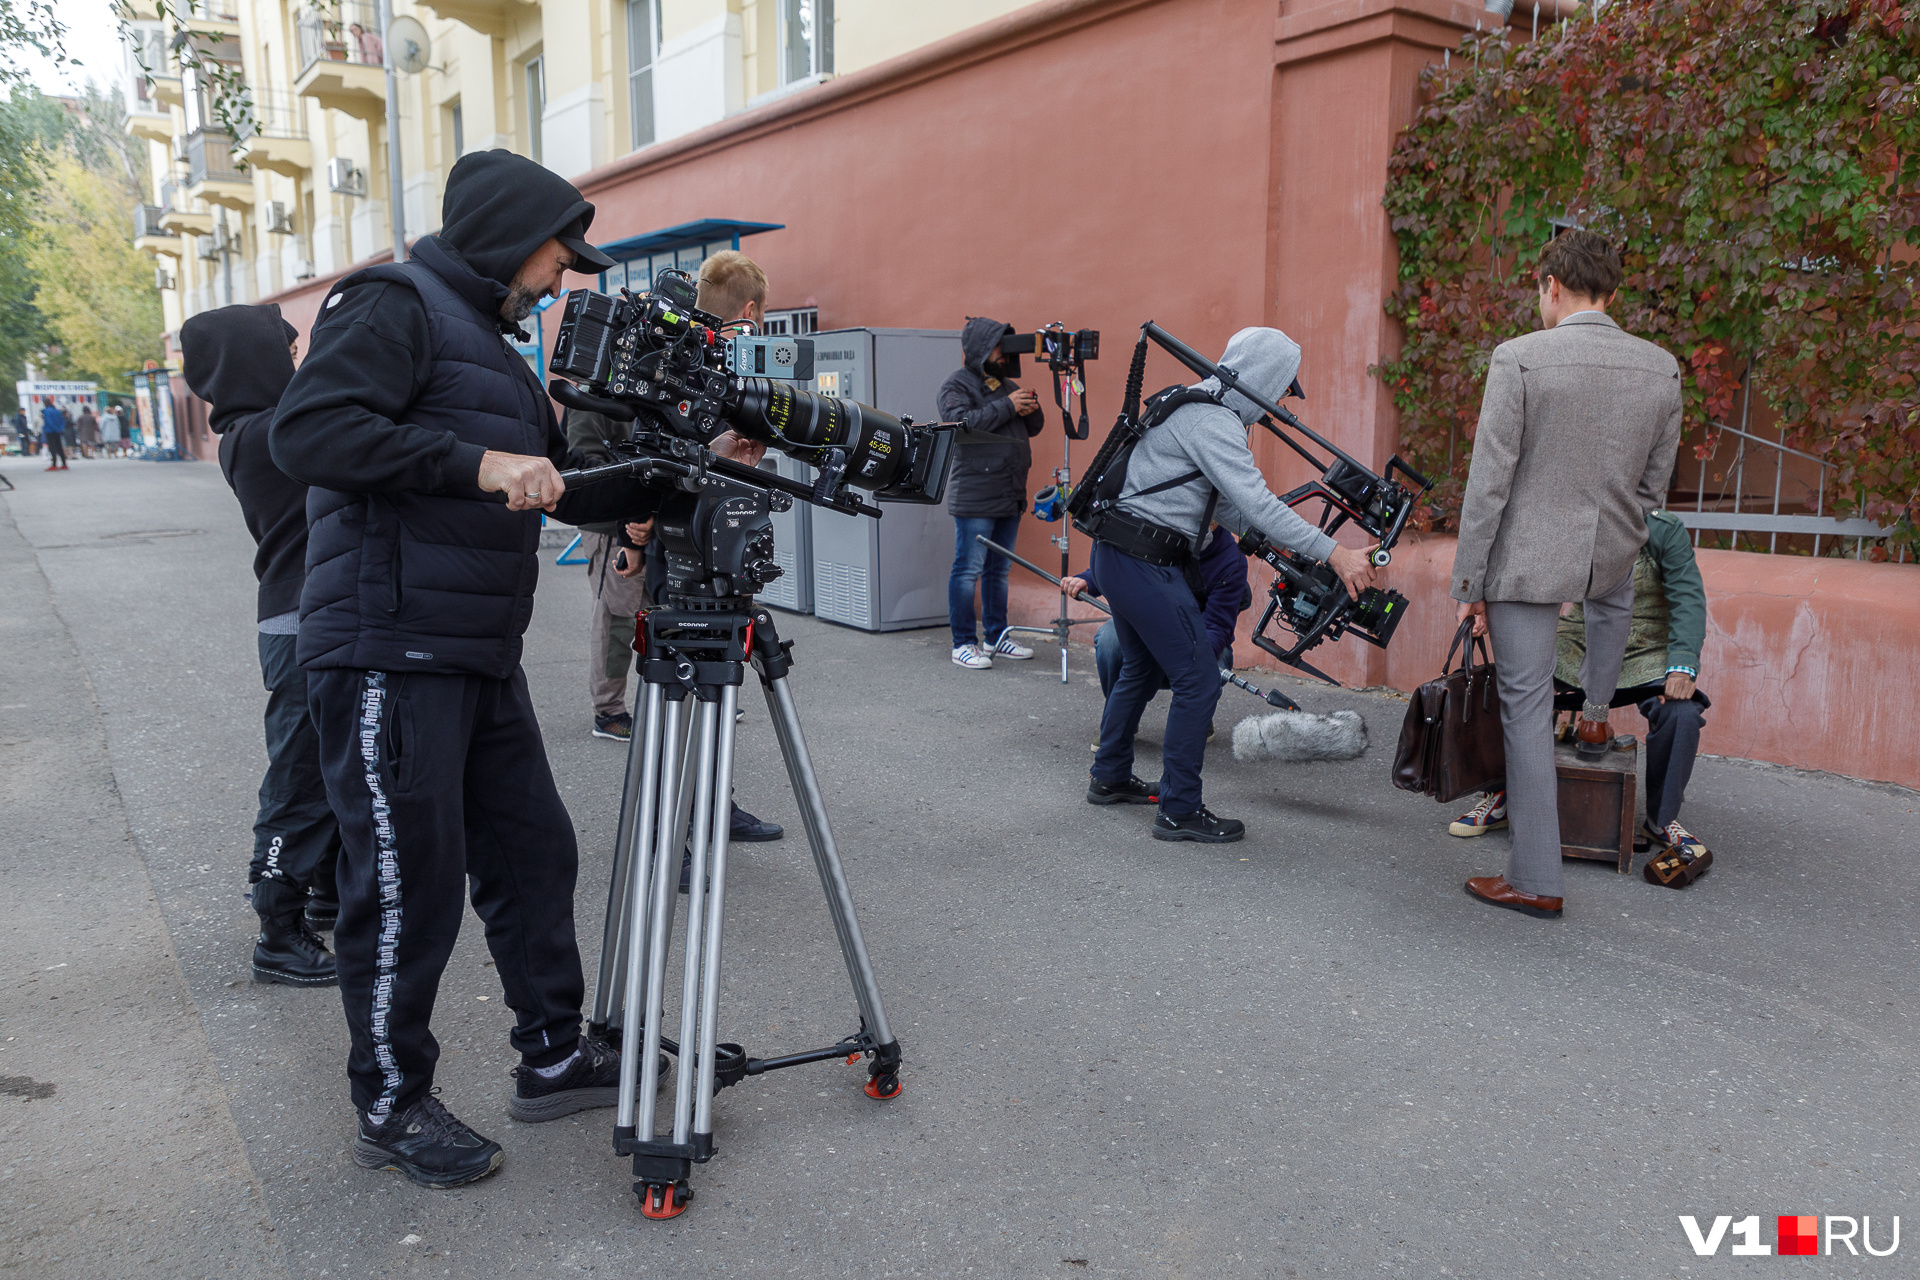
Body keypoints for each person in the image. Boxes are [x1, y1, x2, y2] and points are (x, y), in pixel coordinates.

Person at [271, 149, 663, 1190]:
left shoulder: (486, 340)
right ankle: (392, 1102)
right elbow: (306, 429)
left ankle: (553, 1050)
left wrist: (650, 486)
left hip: (476, 653)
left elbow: (552, 481)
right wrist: (475, 463)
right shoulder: (391, 305)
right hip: (387, 651)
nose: (562, 275)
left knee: (534, 852)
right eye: (555, 254)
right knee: (407, 888)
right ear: (504, 237)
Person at [1452, 229, 1682, 919]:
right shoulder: (1662, 367)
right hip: (1611, 549)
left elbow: (1489, 483)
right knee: (1610, 604)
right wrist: (1617, 532)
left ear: (1552, 285)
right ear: (1610, 293)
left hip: (1526, 559)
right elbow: (1654, 488)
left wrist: (1470, 586)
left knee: (1523, 713)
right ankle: (1594, 715)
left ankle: (1534, 879)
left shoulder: (1519, 359)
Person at [1086, 327, 1379, 842]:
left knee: (1141, 666)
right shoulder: (1215, 421)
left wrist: (1280, 543)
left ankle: (1109, 777)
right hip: (1143, 560)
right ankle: (1179, 810)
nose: (1282, 403)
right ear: (1265, 379)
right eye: (1285, 388)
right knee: (1198, 681)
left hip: (1117, 552)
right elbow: (1256, 502)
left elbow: (1220, 504)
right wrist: (1334, 552)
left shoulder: (1191, 405)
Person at [564, 248, 784, 845]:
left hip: (715, 548)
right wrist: (631, 527)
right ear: (748, 310)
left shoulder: (720, 377)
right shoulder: (638, 368)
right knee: (675, 691)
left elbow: (704, 462)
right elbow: (591, 462)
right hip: (663, 548)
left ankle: (714, 802)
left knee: (715, 688)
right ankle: (668, 830)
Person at [183, 303, 342, 986]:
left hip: (307, 615)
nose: (296, 361)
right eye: (286, 350)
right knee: (301, 778)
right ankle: (278, 927)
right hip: (300, 621)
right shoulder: (268, 435)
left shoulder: (257, 430)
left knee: (331, 769)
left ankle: (323, 893)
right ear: (255, 359)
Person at [1449, 508, 1712, 864]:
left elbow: (1688, 598)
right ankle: (1502, 795)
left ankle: (1661, 820)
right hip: (1581, 640)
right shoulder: (1576, 519)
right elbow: (1536, 577)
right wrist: (1489, 612)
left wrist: (1682, 666)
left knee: (1682, 712)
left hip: (1646, 649)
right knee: (1514, 685)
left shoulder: (1664, 530)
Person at [1062, 522, 1251, 739]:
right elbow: (1127, 564)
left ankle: (1197, 713)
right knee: (1109, 639)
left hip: (1196, 639)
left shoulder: (1231, 559)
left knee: (1215, 663)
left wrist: (1184, 658)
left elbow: (1217, 628)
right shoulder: (1161, 528)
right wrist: (1088, 580)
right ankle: (1122, 718)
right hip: (1146, 626)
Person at [938, 317, 1045, 669]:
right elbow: (961, 423)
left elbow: (1033, 427)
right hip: (975, 495)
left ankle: (997, 636)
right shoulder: (956, 385)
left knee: (999, 572)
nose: (1003, 352)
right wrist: (1009, 405)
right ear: (980, 348)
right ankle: (963, 643)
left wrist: (1030, 406)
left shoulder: (1005, 384)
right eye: (998, 345)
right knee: (968, 571)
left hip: (1009, 492)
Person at [40, 400, 68, 470]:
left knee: (52, 447)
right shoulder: (57, 411)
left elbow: (49, 421)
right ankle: (64, 463)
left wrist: (53, 428)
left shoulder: (46, 411)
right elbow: (62, 421)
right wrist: (59, 429)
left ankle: (54, 464)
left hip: (50, 431)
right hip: (58, 431)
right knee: (59, 447)